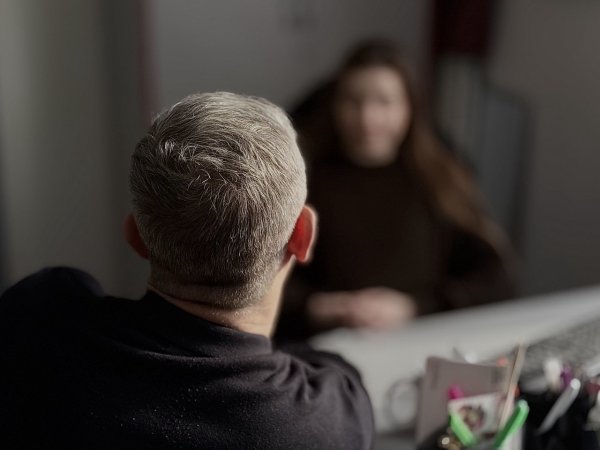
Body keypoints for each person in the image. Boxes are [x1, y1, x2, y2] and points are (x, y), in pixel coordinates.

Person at [0, 92, 374, 449]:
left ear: (136, 236)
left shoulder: (36, 323)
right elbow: (338, 373)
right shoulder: (326, 423)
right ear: (302, 235)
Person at [276, 41, 516, 340]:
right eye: (353, 101)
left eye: (384, 102)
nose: (367, 119)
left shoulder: (442, 178)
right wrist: (317, 306)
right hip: (324, 344)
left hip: (420, 340)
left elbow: (497, 281)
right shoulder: (301, 181)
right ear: (334, 105)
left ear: (409, 108)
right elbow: (255, 281)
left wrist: (415, 307)